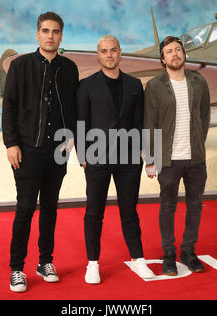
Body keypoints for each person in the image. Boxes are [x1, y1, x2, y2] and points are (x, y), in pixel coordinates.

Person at [2, 12, 79, 292]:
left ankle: (45, 261)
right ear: (37, 34)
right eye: (45, 31)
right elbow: (9, 106)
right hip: (27, 150)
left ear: (61, 36)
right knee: (24, 209)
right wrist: (11, 144)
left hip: (57, 151)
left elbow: (73, 107)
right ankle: (17, 268)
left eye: (55, 31)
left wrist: (71, 139)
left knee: (50, 208)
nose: (50, 36)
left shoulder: (69, 69)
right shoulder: (20, 66)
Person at [76, 35, 155, 284]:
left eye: (113, 50)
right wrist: (82, 156)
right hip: (97, 157)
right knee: (94, 212)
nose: (109, 55)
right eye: (103, 51)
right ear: (97, 55)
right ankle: (92, 263)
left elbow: (141, 122)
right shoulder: (86, 85)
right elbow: (81, 122)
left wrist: (149, 156)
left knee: (129, 211)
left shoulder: (134, 85)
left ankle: (138, 259)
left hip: (130, 159)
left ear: (120, 53)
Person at [143, 36, 210, 275]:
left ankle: (189, 251)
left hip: (196, 159)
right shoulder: (154, 86)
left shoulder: (199, 81)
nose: (175, 54)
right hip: (167, 159)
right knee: (167, 206)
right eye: (169, 51)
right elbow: (149, 123)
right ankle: (169, 253)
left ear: (184, 54)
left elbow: (205, 116)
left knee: (195, 206)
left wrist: (198, 145)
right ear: (162, 59)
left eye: (178, 50)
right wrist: (150, 159)